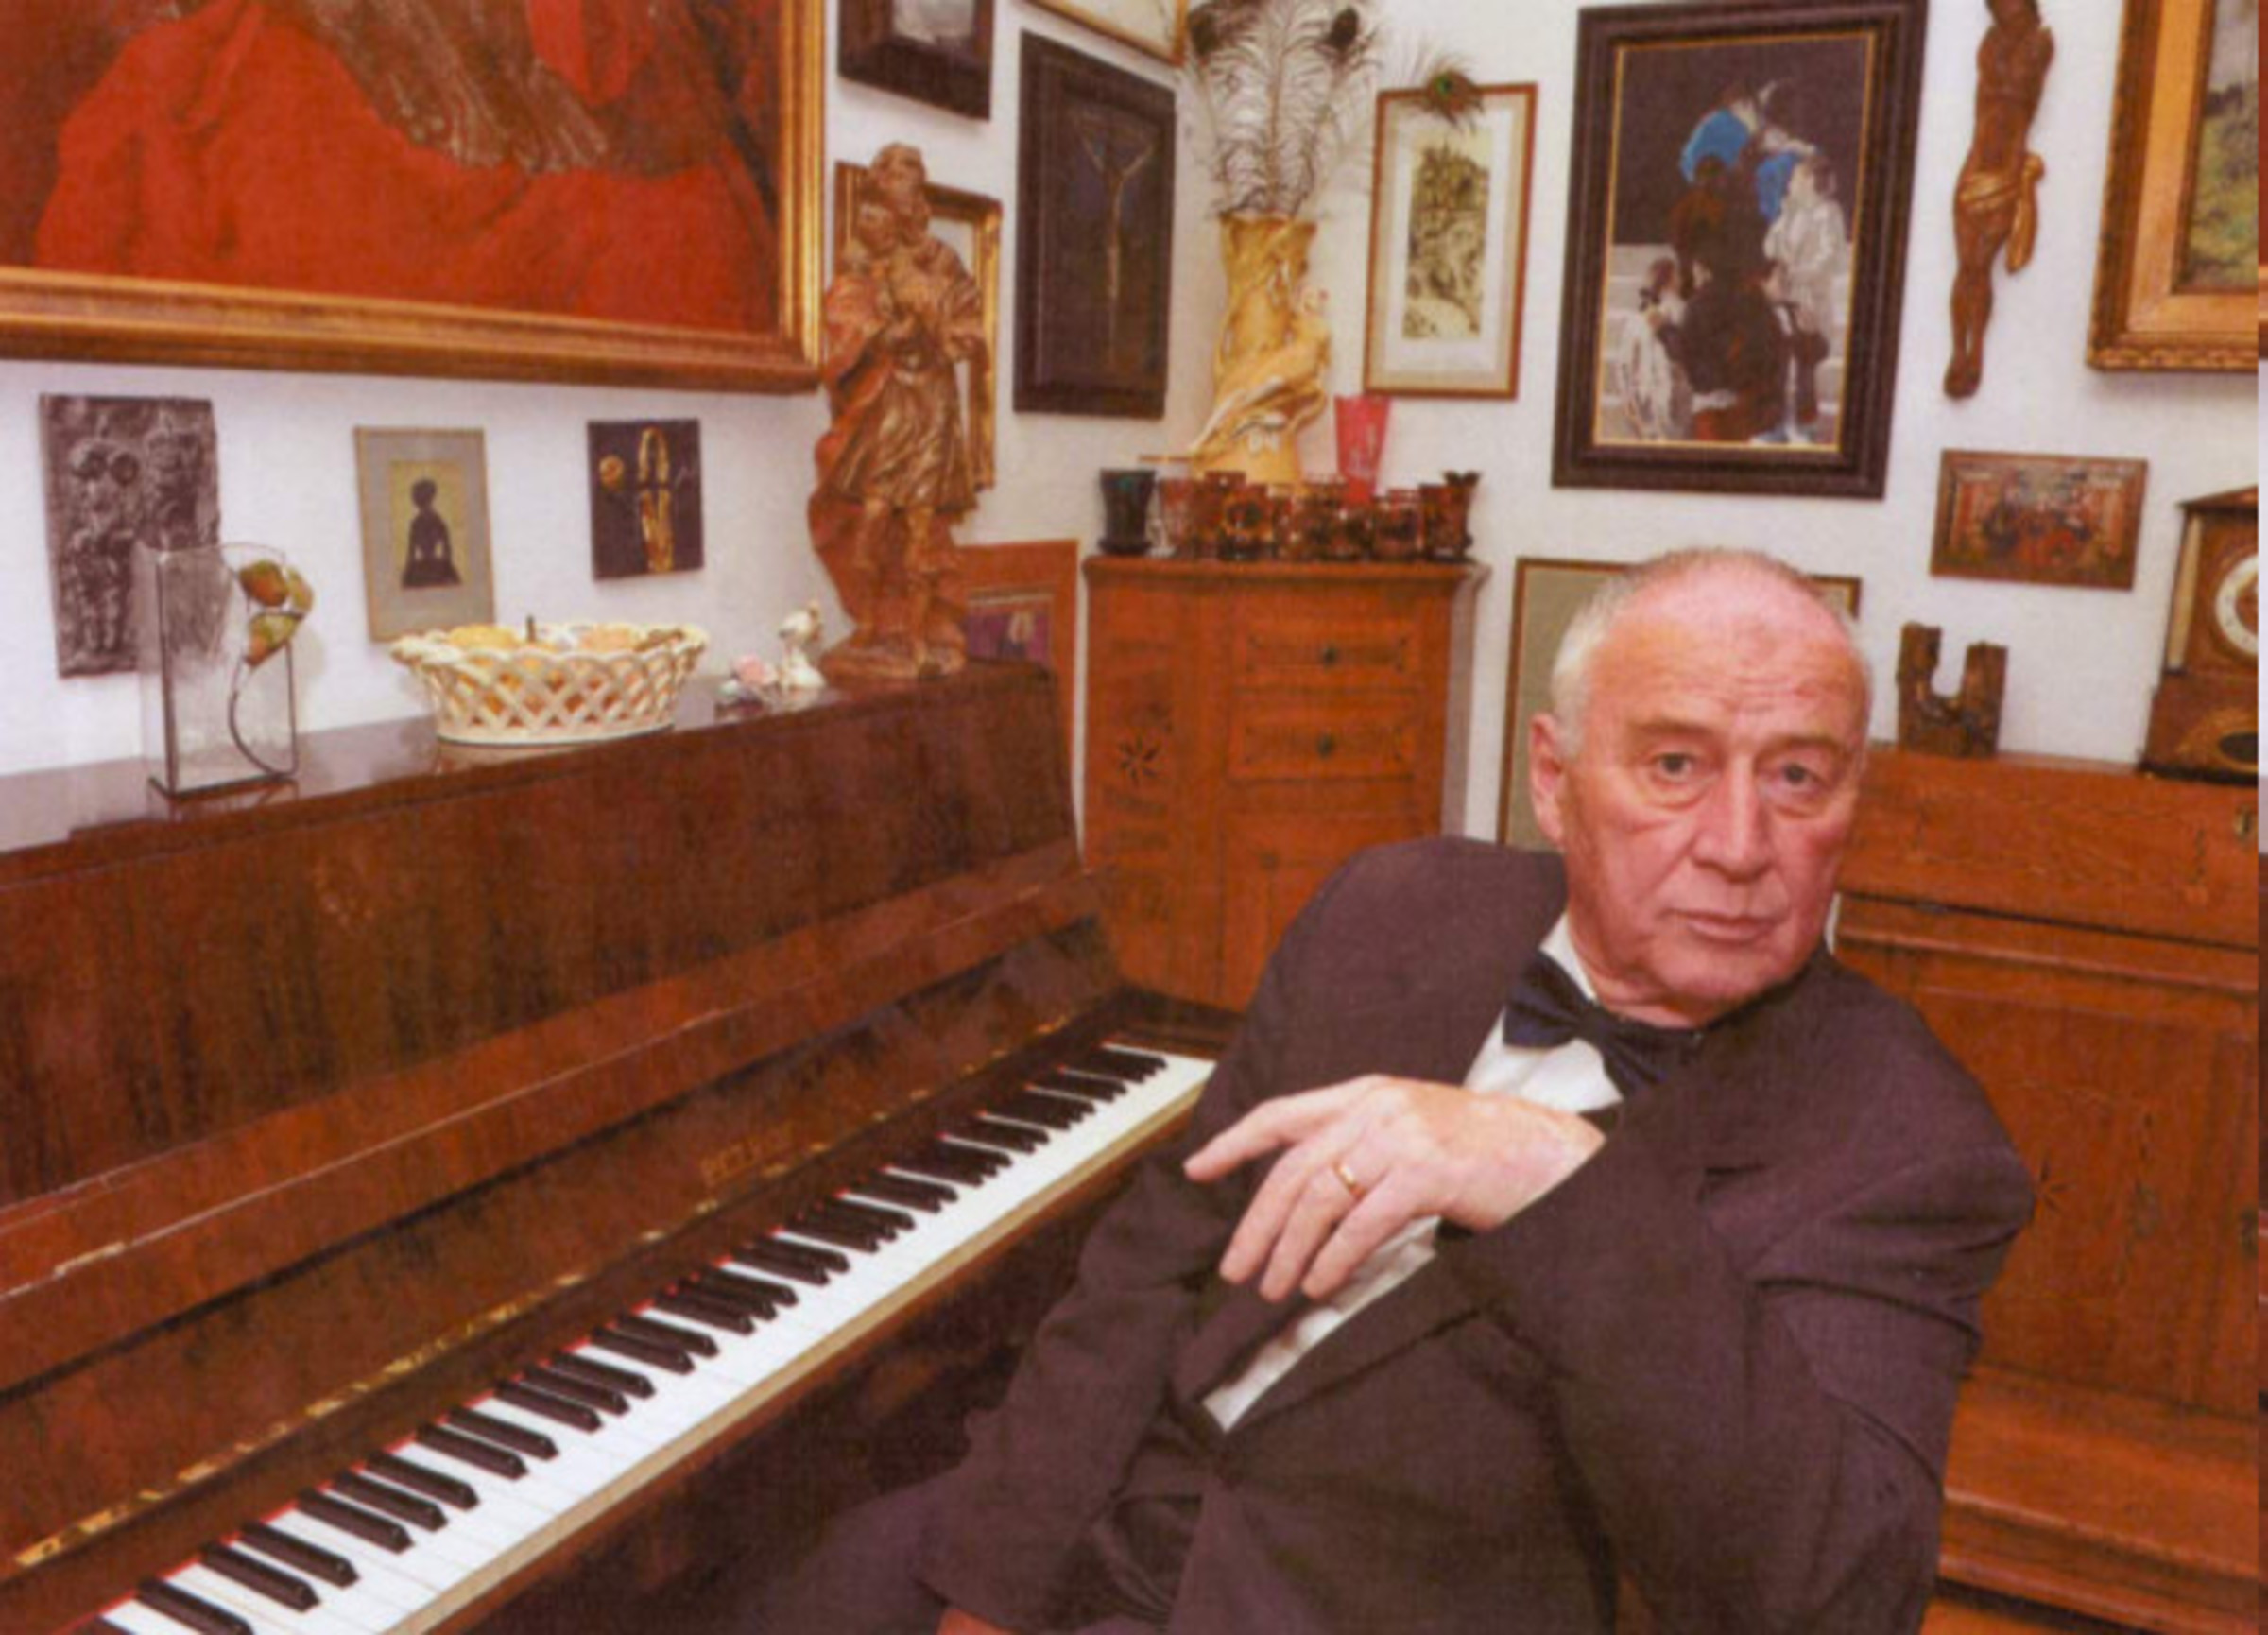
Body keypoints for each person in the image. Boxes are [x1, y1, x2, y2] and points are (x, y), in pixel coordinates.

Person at [765, 548, 2033, 1634]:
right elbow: (1148, 1264)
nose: (1742, 843)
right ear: (1554, 780)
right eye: (1674, 764)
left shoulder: (1903, 1140)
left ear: (1853, 800)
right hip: (1106, 1512)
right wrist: (990, 1590)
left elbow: (1836, 1594)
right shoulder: (1394, 908)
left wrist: (1558, 1182)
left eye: (1798, 776)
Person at [809, 144, 983, 680]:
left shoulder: (941, 261)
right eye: (886, 201)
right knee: (866, 517)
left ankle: (917, 633)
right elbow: (844, 322)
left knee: (921, 532)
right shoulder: (861, 264)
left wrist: (938, 328)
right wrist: (880, 332)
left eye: (906, 198)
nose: (895, 212)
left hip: (927, 404)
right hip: (883, 404)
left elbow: (968, 326)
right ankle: (871, 620)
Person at [1944, 0, 2054, 399]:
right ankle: (1959, 351)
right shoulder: (1991, 41)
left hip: (2006, 169)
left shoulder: (2039, 43)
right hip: (1974, 168)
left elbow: (2021, 97)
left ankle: (1975, 350)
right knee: (1966, 266)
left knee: (1979, 264)